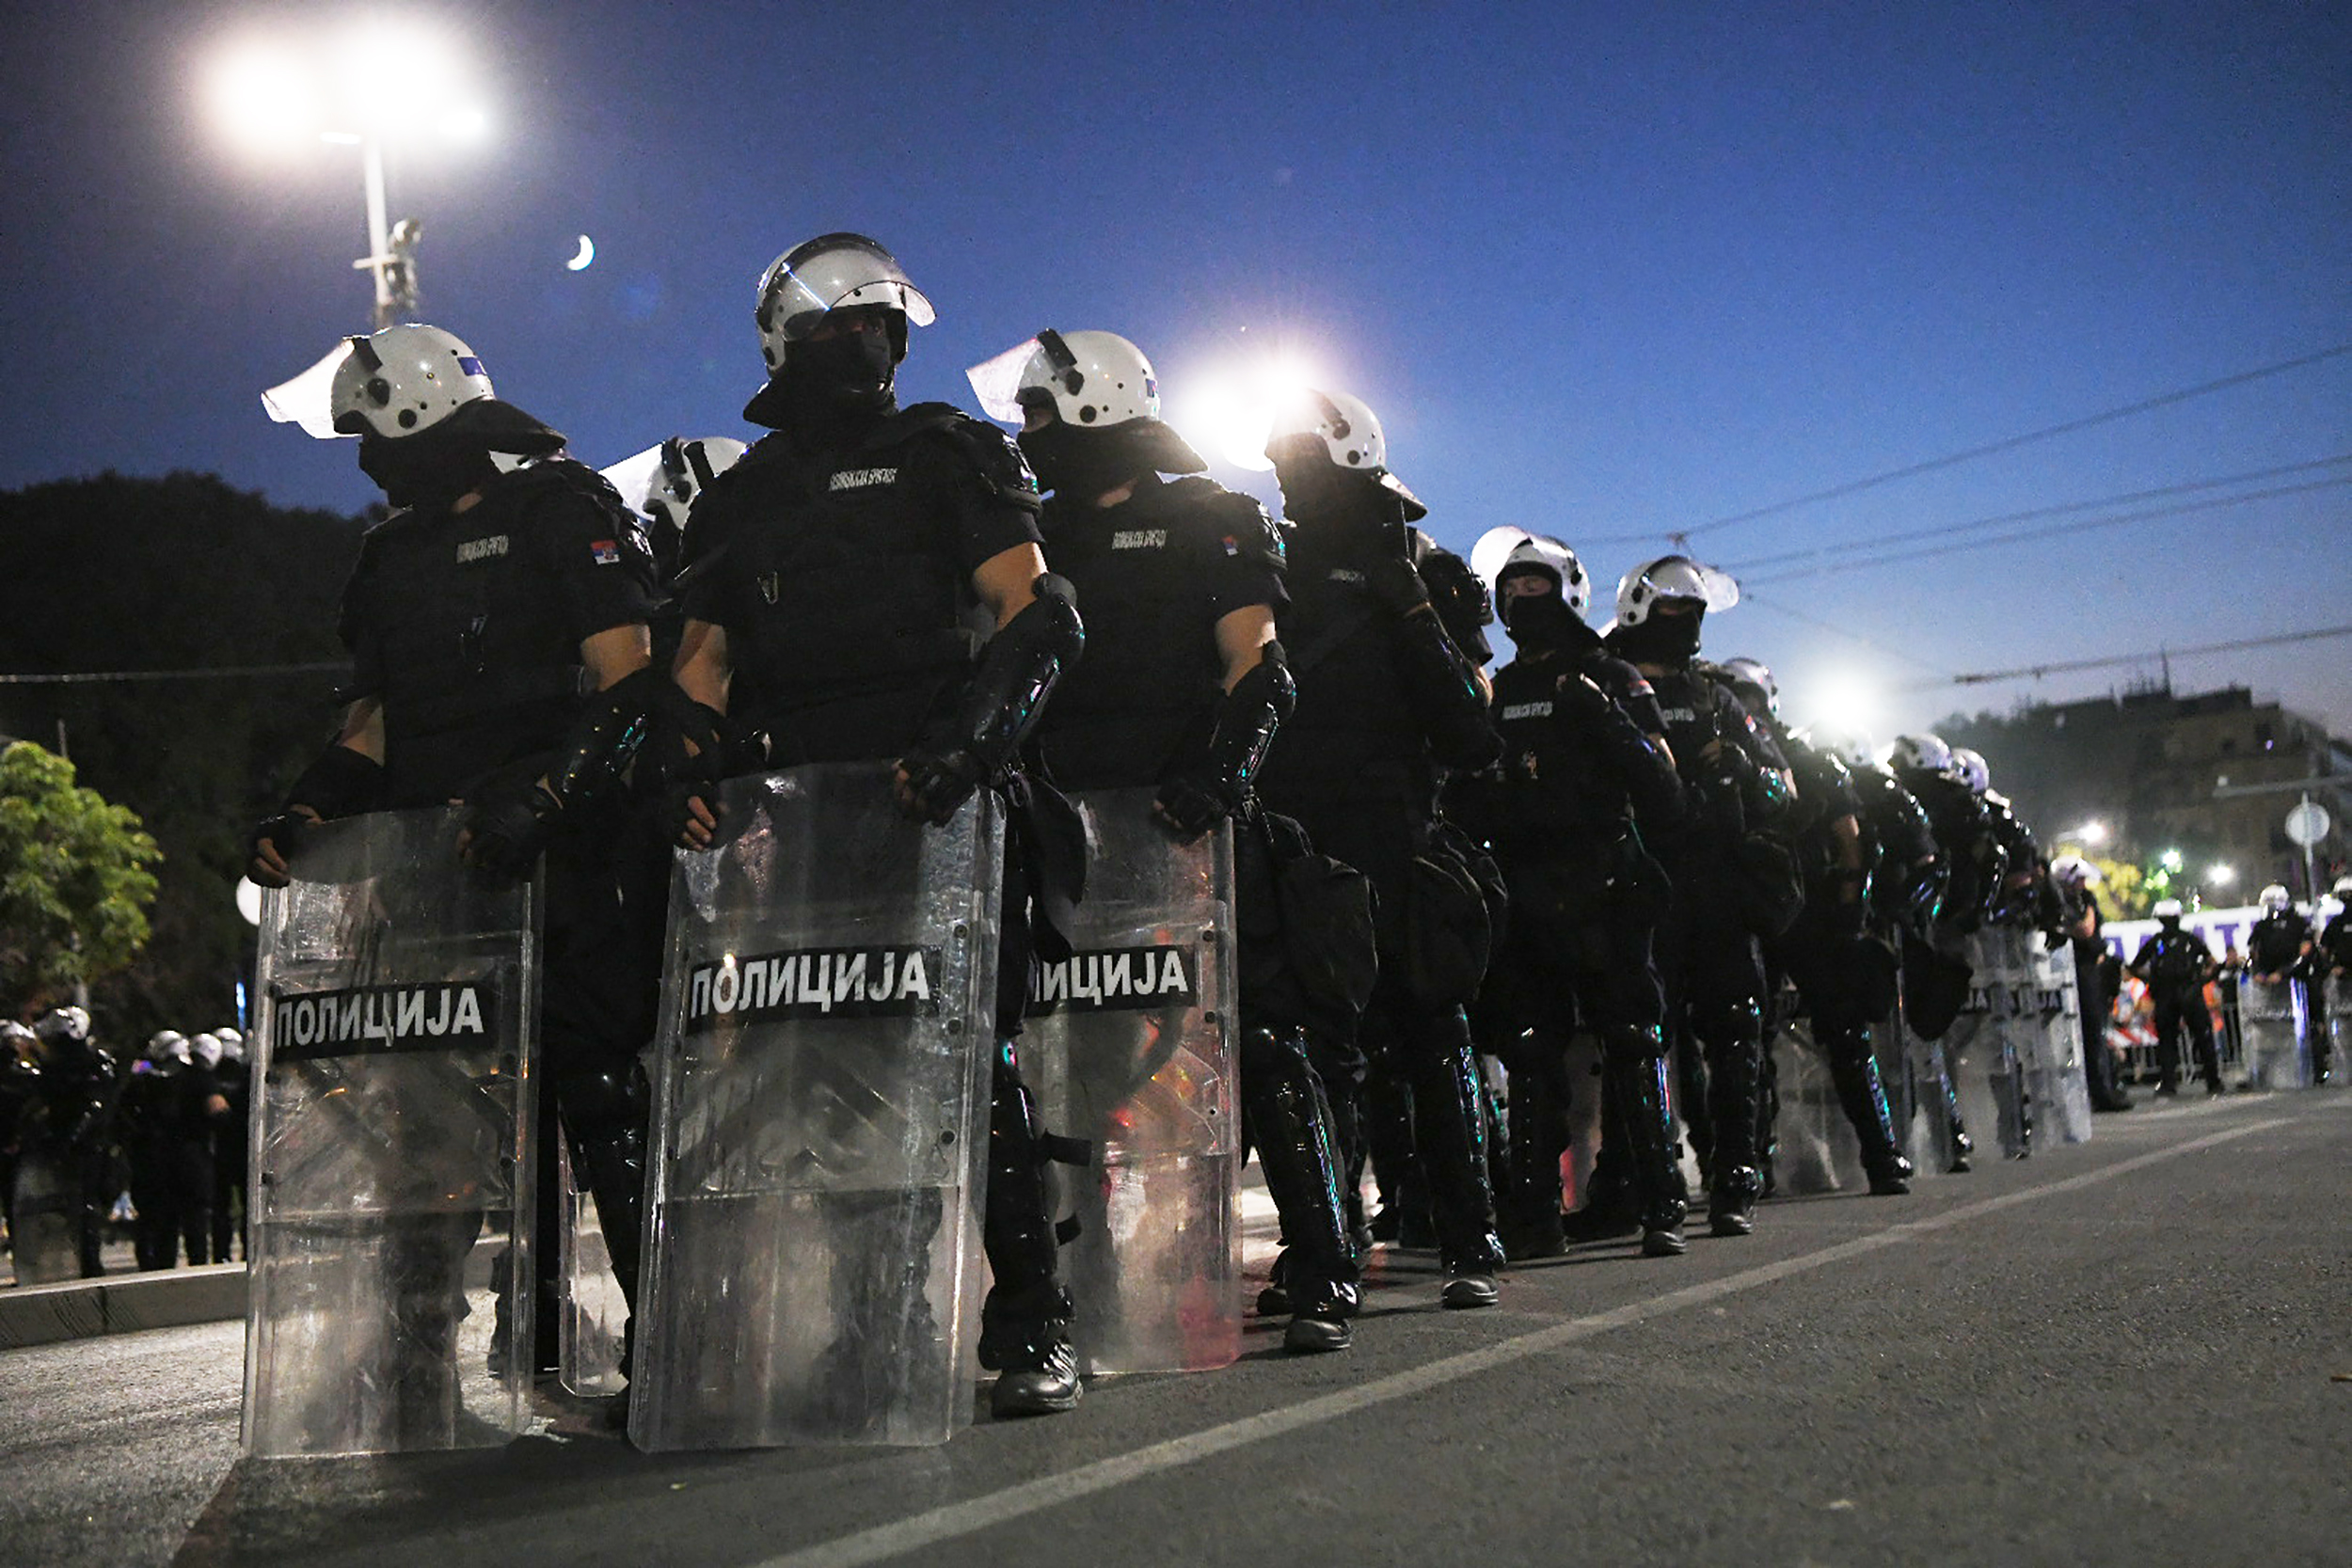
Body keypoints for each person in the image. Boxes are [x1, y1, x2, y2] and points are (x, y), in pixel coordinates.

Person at [668, 232, 1086, 1415]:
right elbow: (699, 664)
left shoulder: (948, 451)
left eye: (879, 327)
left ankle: (1031, 1325)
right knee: (829, 1074)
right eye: (838, 329)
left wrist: (973, 744)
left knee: (968, 1062)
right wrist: (682, 779)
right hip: (797, 822)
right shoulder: (743, 496)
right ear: (785, 346)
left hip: (942, 799)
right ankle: (874, 1324)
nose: (867, 346)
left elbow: (1035, 613)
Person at [249, 321, 664, 1395]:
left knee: (597, 1089)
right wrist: (303, 810)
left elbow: (631, 682)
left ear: (417, 412)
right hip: (435, 869)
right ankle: (413, 1354)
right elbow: (371, 725)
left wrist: (547, 794)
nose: (363, 457)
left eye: (368, 431)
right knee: (427, 1117)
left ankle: (664, 1340)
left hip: (561, 855)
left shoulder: (563, 509)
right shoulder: (388, 555)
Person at [973, 326, 1361, 1352]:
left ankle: (1322, 1267)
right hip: (1071, 837)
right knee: (1078, 1068)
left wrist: (1222, 777)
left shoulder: (1212, 516)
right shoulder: (1031, 531)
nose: (1030, 432)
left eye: (1044, 411)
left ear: (1099, 403)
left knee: (1262, 1040)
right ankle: (1093, 1277)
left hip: (1195, 833)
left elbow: (1261, 667)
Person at [1252, 386, 1506, 1306]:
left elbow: (1474, 729)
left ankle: (1471, 1235)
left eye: (1302, 456)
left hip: (1399, 842)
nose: (1286, 472)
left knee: (1433, 1036)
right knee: (1313, 1049)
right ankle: (1327, 1243)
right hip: (1298, 848)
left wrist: (1409, 612)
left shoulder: (1422, 568)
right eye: (1278, 455)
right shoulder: (1260, 560)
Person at [1451, 534, 1688, 1259]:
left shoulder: (1612, 674)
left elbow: (1665, 785)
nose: (1522, 599)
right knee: (1528, 1046)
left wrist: (1606, 718)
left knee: (1632, 1035)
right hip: (1524, 882)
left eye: (1536, 585)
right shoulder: (1497, 689)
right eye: (1512, 586)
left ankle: (1658, 1201)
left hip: (1605, 877)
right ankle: (1531, 1214)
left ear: (1567, 590)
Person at [1605, 557, 1790, 1237]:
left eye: (1692, 612)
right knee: (1640, 1036)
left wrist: (1743, 768)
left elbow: (1782, 791)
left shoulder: (1719, 699)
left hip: (1714, 886)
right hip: (1638, 883)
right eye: (1670, 611)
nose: (1682, 624)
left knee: (1735, 1028)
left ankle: (1735, 1175)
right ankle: (1645, 1189)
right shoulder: (1607, 680)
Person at [1717, 660, 1912, 1196]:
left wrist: (1849, 911)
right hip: (1769, 913)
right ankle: (1761, 1165)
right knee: (1751, 1038)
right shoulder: (1737, 756)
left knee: (1834, 1036)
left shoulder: (1802, 759)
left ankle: (1880, 1155)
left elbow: (1851, 839)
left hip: (1807, 915)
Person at [2047, 856, 2131, 1111]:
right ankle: (2093, 1093)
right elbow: (2084, 930)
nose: (2083, 884)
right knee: (2080, 1035)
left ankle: (2104, 1089)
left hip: (2090, 971)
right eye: (2078, 879)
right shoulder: (2057, 902)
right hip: (2072, 971)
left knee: (2096, 1034)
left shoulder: (2084, 900)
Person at [2128, 899, 2221, 1096]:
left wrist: (2153, 980)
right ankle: (2210, 1081)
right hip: (2182, 994)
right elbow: (2212, 963)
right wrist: (2201, 980)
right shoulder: (2186, 940)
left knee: (2172, 1042)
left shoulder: (2163, 941)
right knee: (2193, 1039)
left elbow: (2135, 966)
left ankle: (2174, 1083)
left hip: (2174, 994)